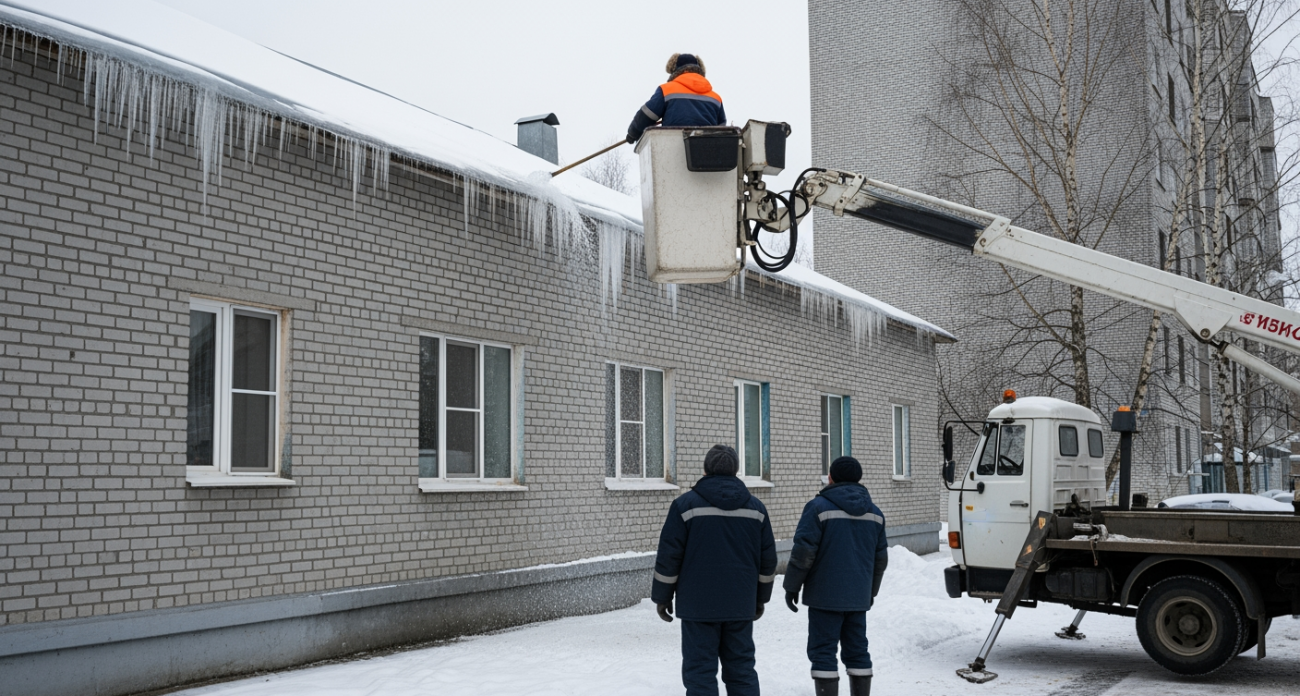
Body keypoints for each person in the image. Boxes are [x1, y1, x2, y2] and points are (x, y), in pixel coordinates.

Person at [652, 444, 777, 696]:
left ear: (705, 469)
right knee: (741, 671)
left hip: (698, 606)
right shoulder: (756, 509)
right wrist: (760, 598)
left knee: (700, 673)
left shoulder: (684, 506)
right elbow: (768, 561)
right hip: (740, 604)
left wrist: (662, 597)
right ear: (737, 470)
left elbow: (669, 556)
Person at [783, 456, 889, 696]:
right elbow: (880, 560)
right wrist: (869, 592)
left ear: (830, 478)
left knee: (823, 651)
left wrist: (792, 586)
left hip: (824, 596)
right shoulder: (875, 514)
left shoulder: (818, 507)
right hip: (857, 596)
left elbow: (803, 551)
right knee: (857, 649)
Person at [626, 53, 727, 145]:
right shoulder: (716, 98)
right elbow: (721, 128)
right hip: (707, 152)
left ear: (675, 70)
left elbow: (647, 114)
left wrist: (633, 133)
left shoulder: (667, 90)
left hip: (672, 148)